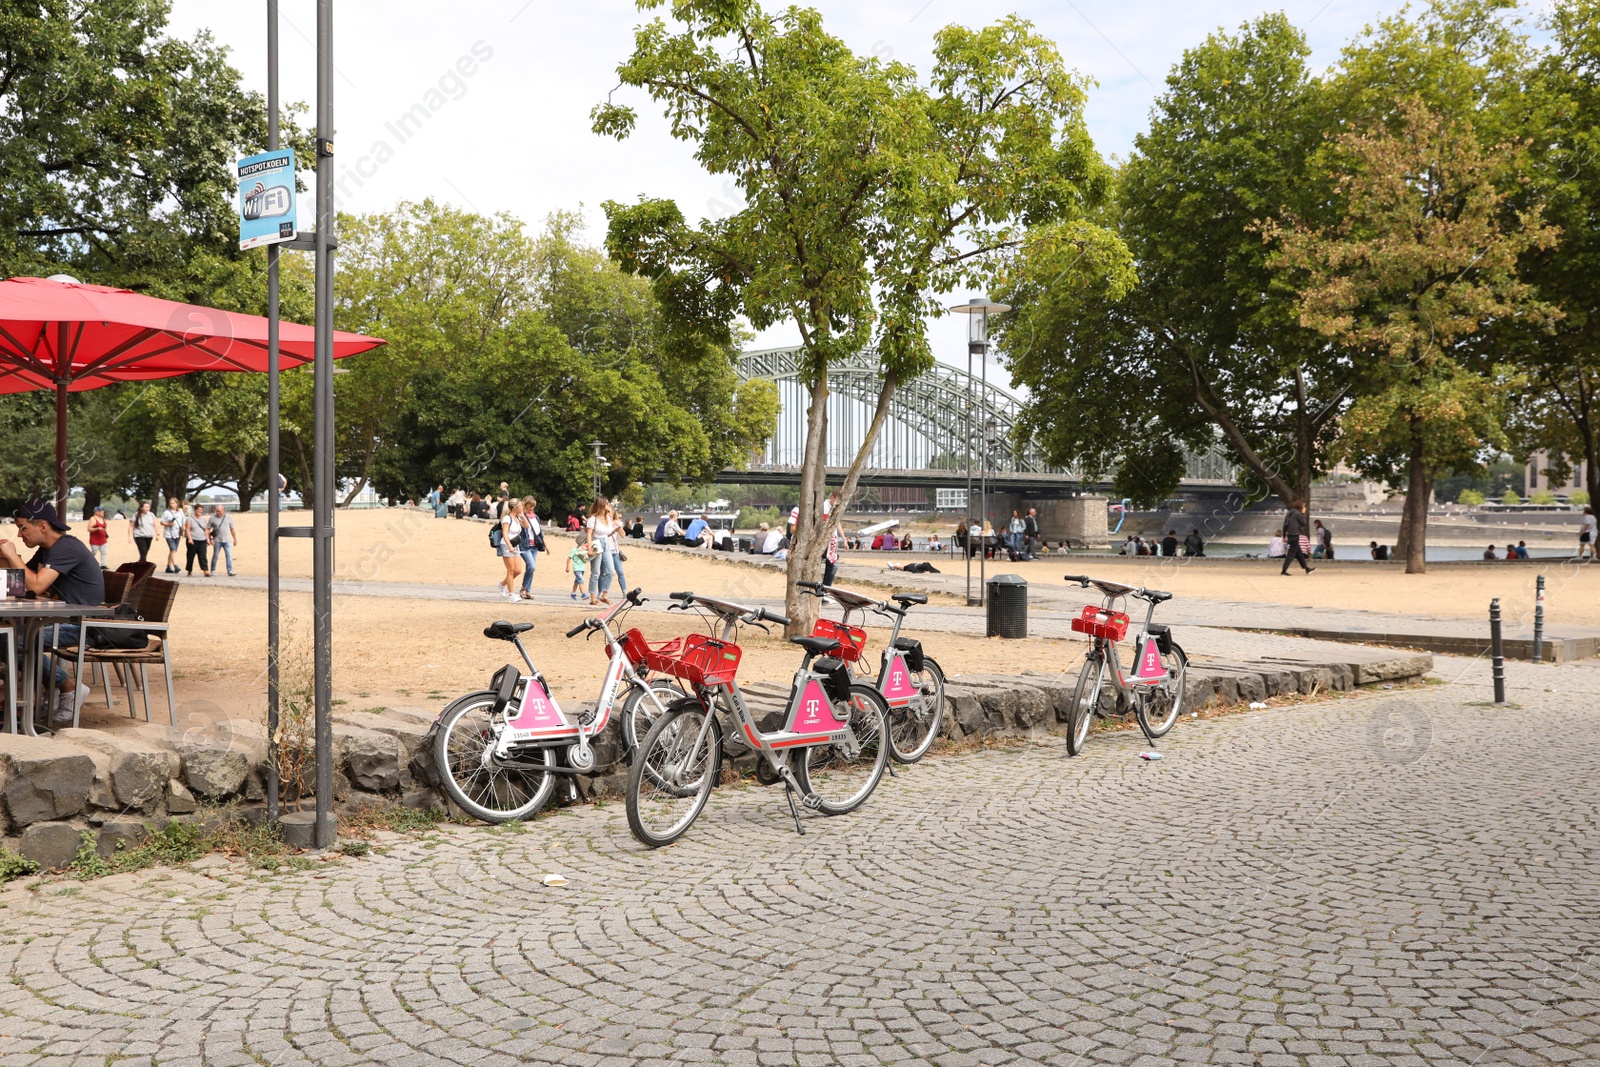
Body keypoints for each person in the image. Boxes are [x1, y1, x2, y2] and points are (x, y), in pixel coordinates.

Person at [1, 502, 105, 729]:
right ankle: (53, 688)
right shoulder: (48, 549)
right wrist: (5, 556)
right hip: (59, 620)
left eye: (23, 528)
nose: (19, 534)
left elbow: (36, 585)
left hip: (84, 626)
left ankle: (67, 686)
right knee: (8, 638)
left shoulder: (66, 547)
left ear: (44, 526)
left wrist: (11, 554)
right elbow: (17, 583)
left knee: (11, 641)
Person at [585, 495, 622, 604]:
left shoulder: (608, 519)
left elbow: (607, 532)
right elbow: (589, 533)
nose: (608, 505)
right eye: (606, 504)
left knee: (610, 570)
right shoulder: (593, 519)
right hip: (597, 542)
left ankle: (604, 594)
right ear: (602, 505)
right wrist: (589, 547)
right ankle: (592, 596)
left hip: (606, 543)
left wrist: (614, 530)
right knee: (595, 571)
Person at [491, 498, 524, 601]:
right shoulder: (507, 518)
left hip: (515, 544)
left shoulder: (518, 518)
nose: (522, 507)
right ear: (516, 508)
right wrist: (509, 546)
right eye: (521, 506)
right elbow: (505, 533)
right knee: (511, 570)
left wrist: (522, 516)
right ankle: (511, 594)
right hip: (506, 544)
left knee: (518, 570)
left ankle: (501, 585)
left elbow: (526, 526)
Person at [517, 496, 542, 600]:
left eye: (533, 506)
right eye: (530, 506)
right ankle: (524, 588)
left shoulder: (535, 517)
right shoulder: (521, 516)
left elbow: (539, 532)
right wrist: (522, 515)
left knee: (531, 569)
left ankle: (527, 590)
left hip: (534, 545)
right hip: (525, 544)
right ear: (525, 505)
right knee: (531, 566)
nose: (531, 508)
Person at [1281, 502, 1314, 575]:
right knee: (1291, 553)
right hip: (1295, 535)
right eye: (1304, 506)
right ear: (1301, 507)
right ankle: (1284, 570)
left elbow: (1285, 525)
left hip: (1290, 534)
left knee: (1299, 553)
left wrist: (1284, 535)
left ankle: (1306, 568)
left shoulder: (1289, 513)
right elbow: (1303, 523)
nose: (1305, 508)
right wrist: (1303, 513)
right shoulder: (1298, 514)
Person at [208, 504, 238, 576]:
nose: (218, 513)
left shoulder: (228, 517)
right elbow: (208, 529)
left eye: (219, 511)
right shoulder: (212, 518)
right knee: (215, 555)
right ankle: (213, 569)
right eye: (217, 511)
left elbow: (232, 529)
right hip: (217, 540)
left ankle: (230, 570)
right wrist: (210, 539)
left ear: (223, 510)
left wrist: (235, 539)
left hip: (227, 540)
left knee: (229, 555)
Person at [183, 503, 211, 577]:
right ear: (195, 510)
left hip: (202, 540)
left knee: (203, 555)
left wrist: (207, 539)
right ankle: (189, 571)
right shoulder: (189, 519)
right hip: (193, 539)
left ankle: (205, 570)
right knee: (190, 556)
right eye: (198, 509)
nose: (200, 511)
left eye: (201, 510)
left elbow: (206, 530)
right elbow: (187, 529)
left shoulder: (204, 519)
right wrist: (189, 538)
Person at [159, 497, 184, 573]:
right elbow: (162, 522)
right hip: (169, 534)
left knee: (173, 550)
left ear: (177, 504)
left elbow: (183, 521)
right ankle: (175, 565)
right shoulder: (167, 512)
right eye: (170, 503)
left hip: (177, 533)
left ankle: (168, 567)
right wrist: (168, 524)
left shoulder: (180, 512)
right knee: (173, 549)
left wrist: (183, 530)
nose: (172, 505)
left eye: (173, 503)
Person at [565, 535, 589, 600]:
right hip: (577, 568)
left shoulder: (584, 551)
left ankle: (573, 593)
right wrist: (568, 567)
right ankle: (583, 594)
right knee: (581, 580)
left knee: (577, 581)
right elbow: (569, 558)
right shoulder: (574, 550)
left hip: (582, 568)